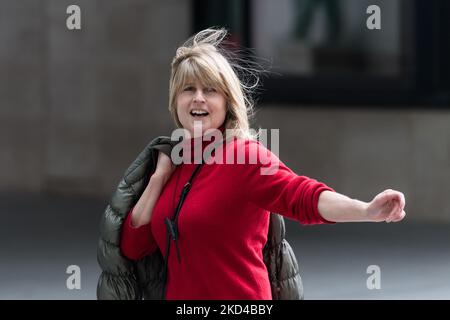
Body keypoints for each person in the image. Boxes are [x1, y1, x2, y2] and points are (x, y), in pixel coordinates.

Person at [117, 28, 406, 300]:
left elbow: (302, 195)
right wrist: (159, 178)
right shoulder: (172, 164)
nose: (199, 98)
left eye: (210, 90)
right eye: (188, 89)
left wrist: (366, 210)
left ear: (227, 102)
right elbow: (133, 247)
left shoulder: (247, 157)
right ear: (175, 101)